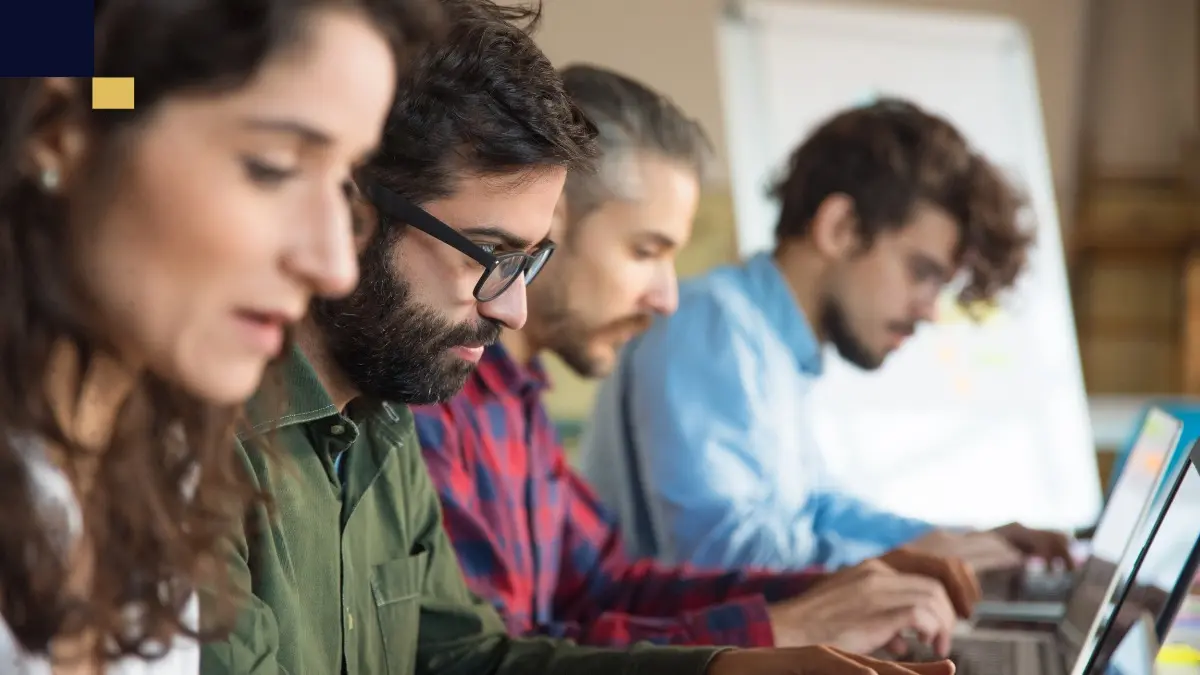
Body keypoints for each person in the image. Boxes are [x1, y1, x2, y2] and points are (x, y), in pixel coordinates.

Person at [198, 3, 956, 674]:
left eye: (527, 261)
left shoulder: (383, 425)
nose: (514, 309)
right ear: (354, 210)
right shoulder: (205, 444)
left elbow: (471, 654)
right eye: (486, 254)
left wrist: (730, 667)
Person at [411, 64, 979, 657]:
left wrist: (836, 592)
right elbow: (498, 660)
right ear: (546, 227)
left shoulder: (518, 400)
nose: (667, 298)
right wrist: (789, 628)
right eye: (644, 250)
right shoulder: (435, 396)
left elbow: (604, 587)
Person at [0, 0, 435, 671]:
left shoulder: (163, 470)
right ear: (63, 134)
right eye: (272, 166)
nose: (334, 266)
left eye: (342, 188)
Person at [578, 98, 1074, 576]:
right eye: (921, 272)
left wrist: (963, 544)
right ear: (840, 227)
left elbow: (815, 512)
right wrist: (924, 561)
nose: (929, 311)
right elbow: (728, 560)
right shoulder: (712, 325)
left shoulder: (774, 347)